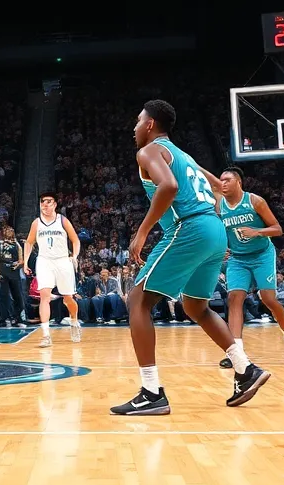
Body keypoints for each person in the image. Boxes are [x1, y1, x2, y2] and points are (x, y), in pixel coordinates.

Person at [112, 100, 269, 416]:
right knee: (196, 306)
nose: (134, 127)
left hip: (189, 228)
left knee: (137, 300)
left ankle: (151, 392)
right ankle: (245, 369)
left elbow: (168, 186)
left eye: (138, 121)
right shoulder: (183, 155)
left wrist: (142, 232)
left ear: (150, 125)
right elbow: (218, 187)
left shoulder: (149, 151)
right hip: (214, 228)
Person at [217, 166, 284, 364]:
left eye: (227, 180)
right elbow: (221, 231)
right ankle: (237, 352)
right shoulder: (219, 206)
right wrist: (222, 247)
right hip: (238, 258)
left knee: (268, 299)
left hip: (262, 255)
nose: (223, 184)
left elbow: (277, 229)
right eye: (221, 180)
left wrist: (257, 232)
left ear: (238, 182)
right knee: (234, 298)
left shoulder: (255, 201)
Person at [24, 193, 82, 346]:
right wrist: (25, 262)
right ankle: (46, 335)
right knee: (44, 296)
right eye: (42, 202)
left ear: (55, 204)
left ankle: (74, 321)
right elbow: (29, 242)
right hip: (44, 261)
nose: (45, 204)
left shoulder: (63, 220)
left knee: (68, 298)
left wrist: (75, 256)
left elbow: (75, 240)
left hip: (63, 261)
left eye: (49, 201)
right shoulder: (36, 223)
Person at [0, 225, 25, 327]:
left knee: (17, 296)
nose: (9, 232)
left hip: (14, 272)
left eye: (11, 230)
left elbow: (21, 260)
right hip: (3, 271)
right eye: (7, 230)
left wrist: (19, 264)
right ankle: (3, 319)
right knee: (4, 296)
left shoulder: (16, 244)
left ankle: (17, 317)